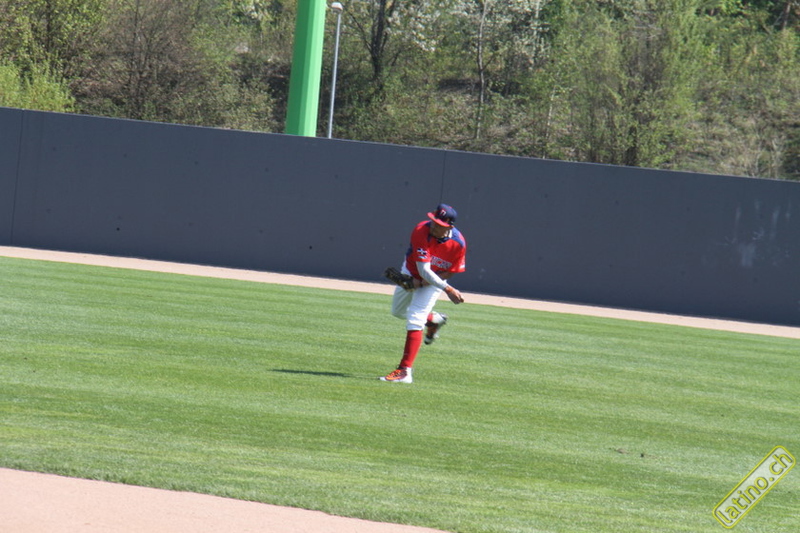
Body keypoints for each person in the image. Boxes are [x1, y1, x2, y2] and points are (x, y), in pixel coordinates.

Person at [380, 204, 467, 383]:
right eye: (433, 221)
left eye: (439, 224)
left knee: (415, 317)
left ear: (449, 227)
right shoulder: (421, 230)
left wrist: (428, 284)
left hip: (436, 280)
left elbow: (450, 271)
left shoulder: (458, 244)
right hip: (411, 271)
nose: (433, 226)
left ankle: (404, 371)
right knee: (397, 312)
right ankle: (433, 320)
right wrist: (448, 289)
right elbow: (423, 270)